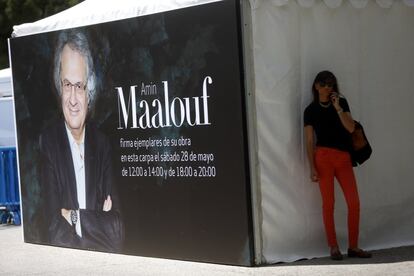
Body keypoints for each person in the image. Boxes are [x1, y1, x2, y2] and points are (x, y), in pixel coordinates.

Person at [39, 30, 123, 252]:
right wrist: (96, 224)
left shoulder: (103, 144)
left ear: (90, 91)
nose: (73, 99)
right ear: (59, 87)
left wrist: (74, 217)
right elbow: (52, 229)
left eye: (79, 86)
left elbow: (117, 231)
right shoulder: (48, 144)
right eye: (67, 85)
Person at [304, 71, 371, 260]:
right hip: (323, 157)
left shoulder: (341, 103)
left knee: (354, 202)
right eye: (324, 84)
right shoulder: (310, 110)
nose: (328, 87)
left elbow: (350, 128)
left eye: (331, 84)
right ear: (316, 86)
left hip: (343, 157)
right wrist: (311, 167)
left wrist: (338, 108)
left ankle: (353, 247)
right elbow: (309, 141)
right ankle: (333, 246)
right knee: (328, 204)